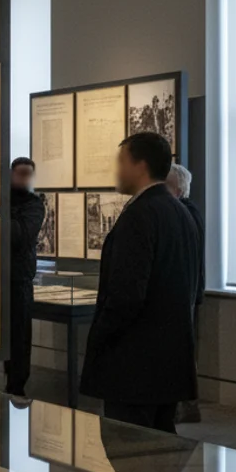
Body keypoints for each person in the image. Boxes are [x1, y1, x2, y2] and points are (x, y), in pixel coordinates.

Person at [81, 133, 200, 432]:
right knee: (159, 459)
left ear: (140, 165)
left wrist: (100, 337)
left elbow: (127, 294)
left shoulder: (140, 215)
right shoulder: (179, 212)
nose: (117, 170)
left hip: (135, 364)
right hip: (168, 361)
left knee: (129, 454)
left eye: (122, 162)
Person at [165, 164, 204, 424]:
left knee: (178, 353)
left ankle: (180, 406)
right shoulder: (185, 213)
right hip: (182, 292)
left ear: (178, 190)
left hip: (181, 293)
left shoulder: (185, 214)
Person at [7, 157, 44, 396]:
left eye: (28, 174)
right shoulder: (1, 198)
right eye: (19, 173)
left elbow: (19, 235)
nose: (24, 179)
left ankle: (16, 388)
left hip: (19, 279)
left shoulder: (34, 204)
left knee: (19, 339)